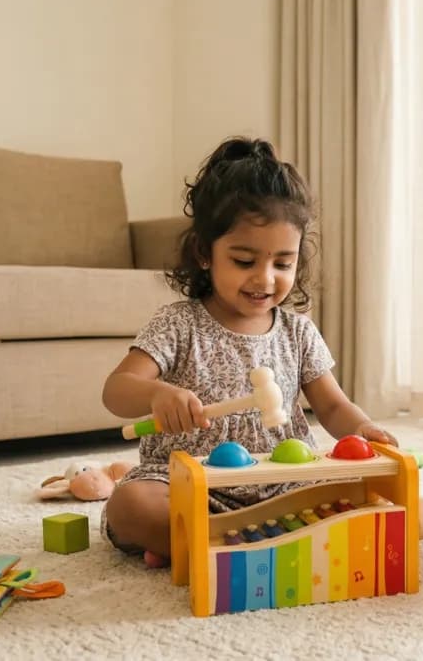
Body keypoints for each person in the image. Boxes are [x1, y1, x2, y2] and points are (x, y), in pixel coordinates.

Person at [101, 137, 397, 568]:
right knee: (131, 506)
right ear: (205, 254)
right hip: (189, 486)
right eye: (244, 261)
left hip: (283, 483)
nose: (265, 278)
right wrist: (155, 394)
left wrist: (365, 429)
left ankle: (209, 545)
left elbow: (332, 406)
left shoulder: (298, 331)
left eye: (283, 263)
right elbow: (115, 391)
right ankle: (251, 540)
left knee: (363, 492)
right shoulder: (177, 323)